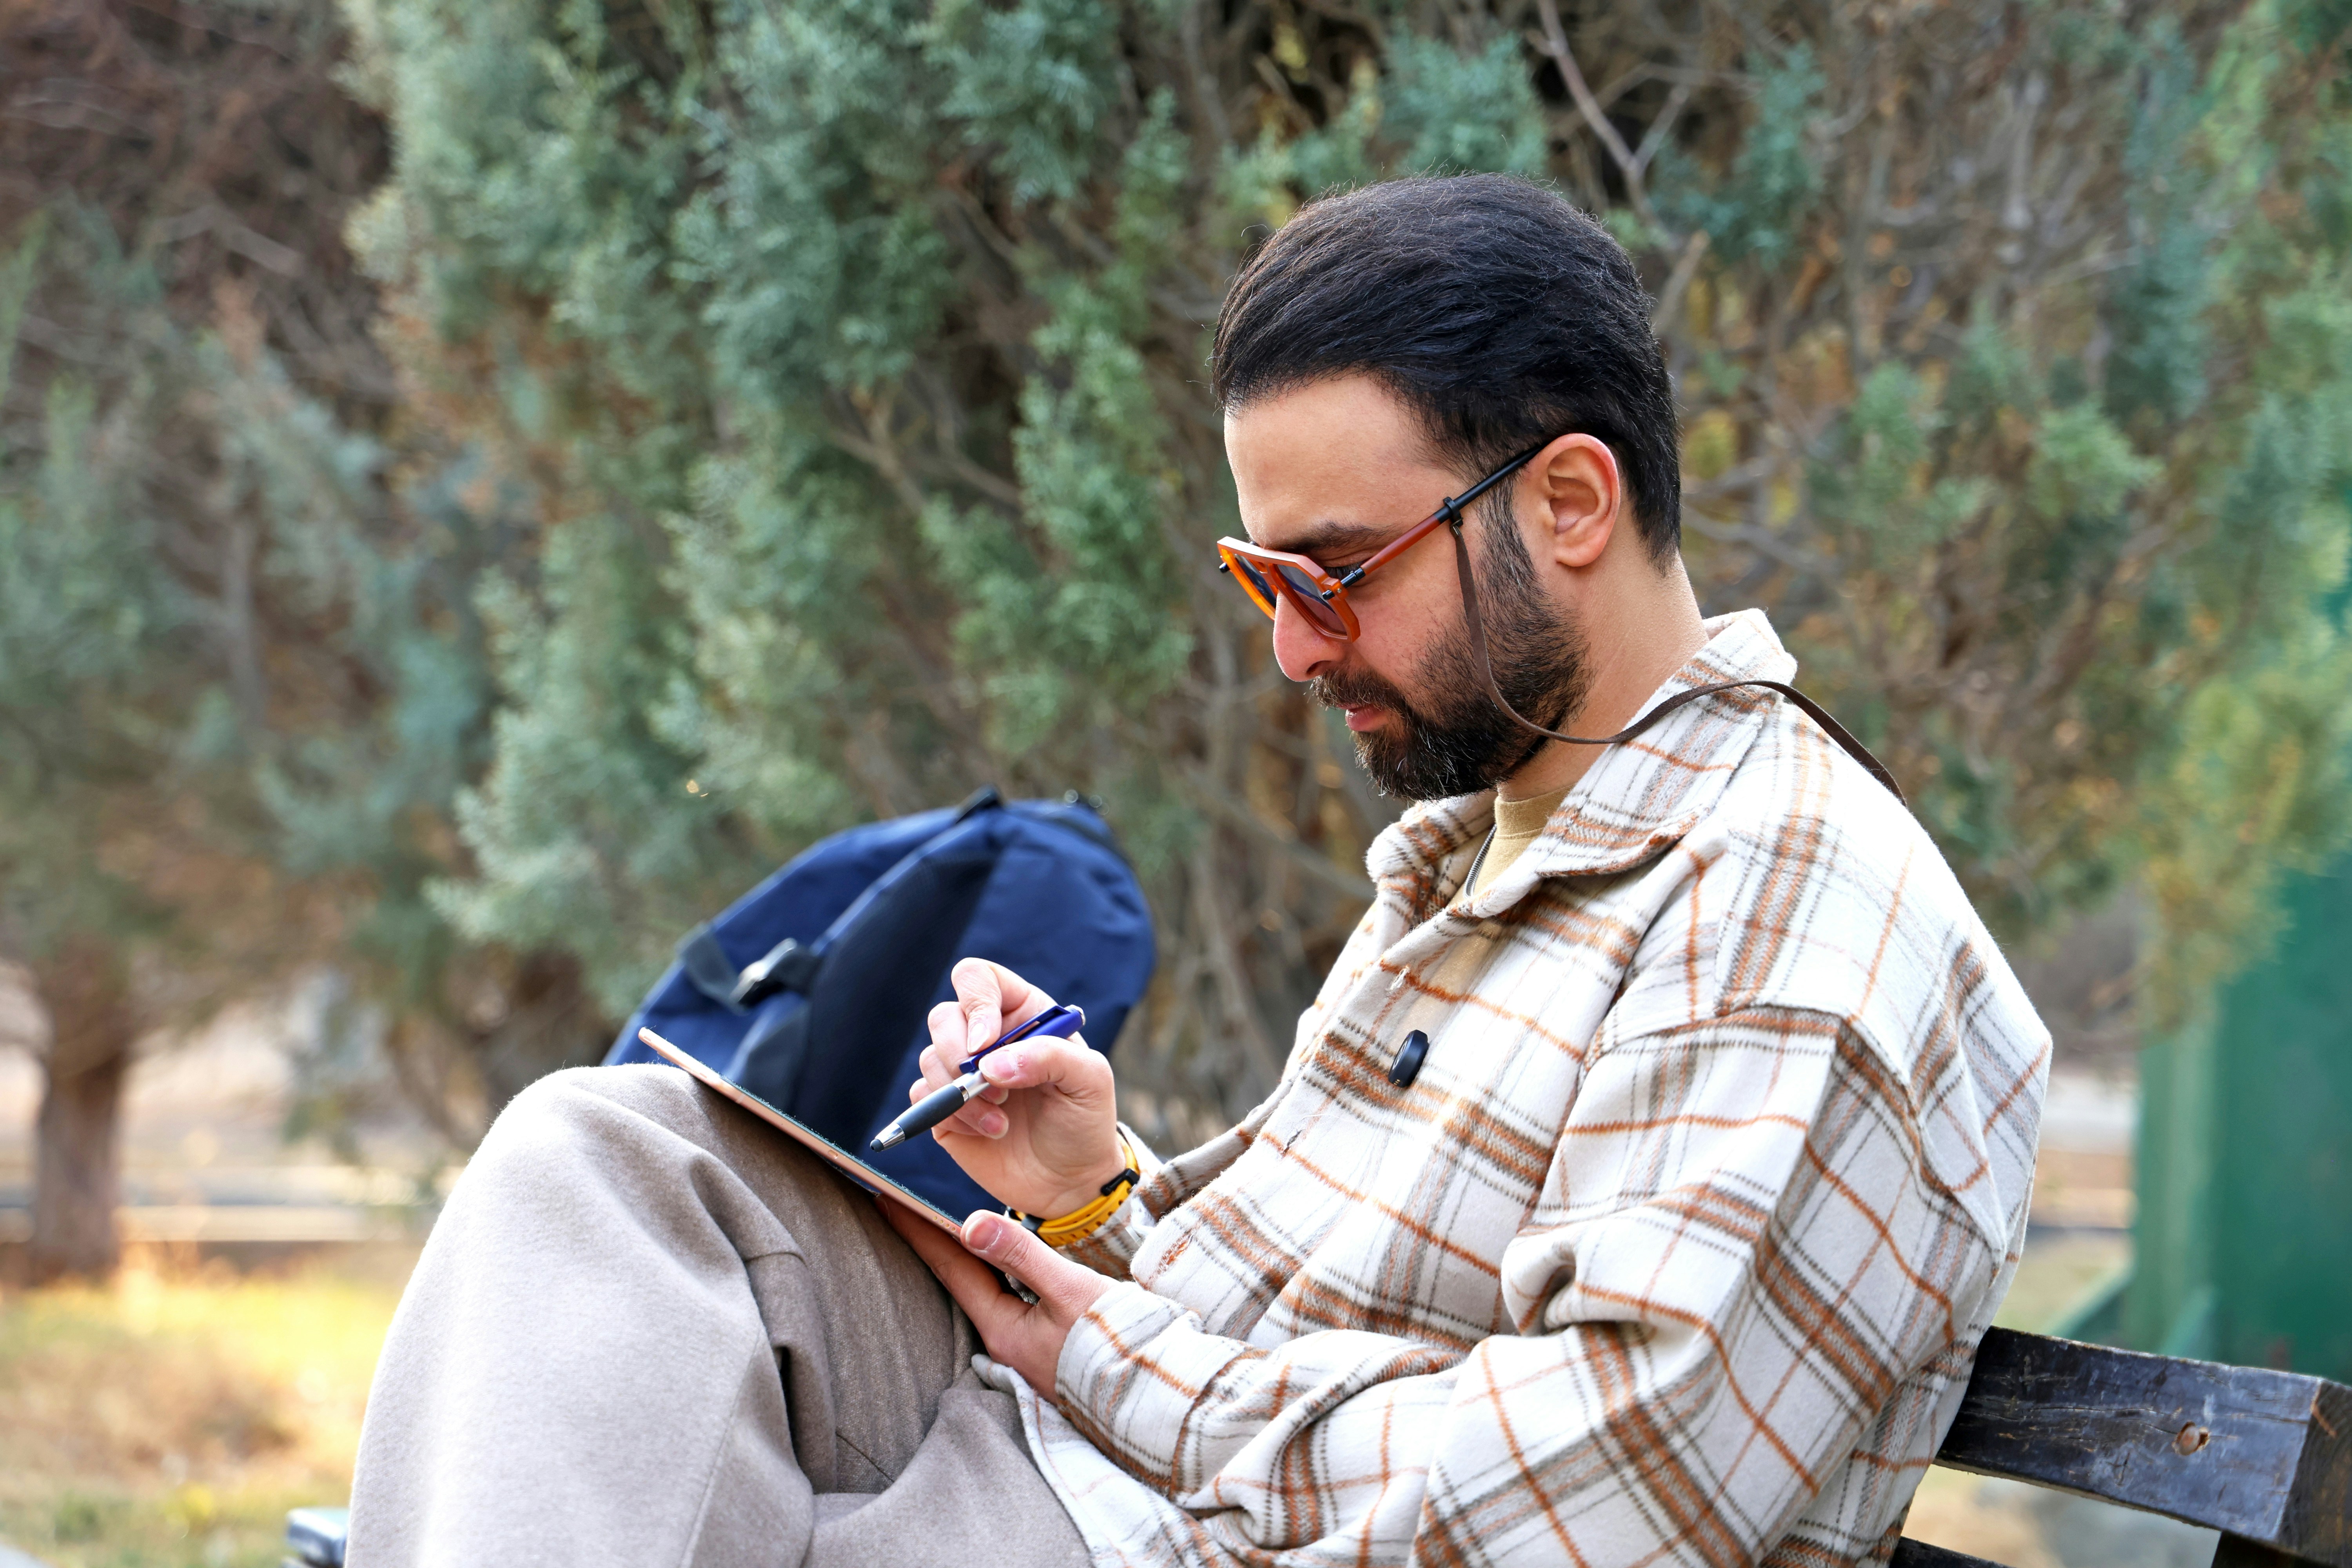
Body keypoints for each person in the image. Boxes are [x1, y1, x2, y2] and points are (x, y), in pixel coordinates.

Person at [347, 174, 2048, 1568]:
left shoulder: (1788, 903)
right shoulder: (1499, 834)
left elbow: (1610, 1498)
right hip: (1078, 1470)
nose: (1298, 655)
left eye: (1340, 572)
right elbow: (1308, 1312)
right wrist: (1095, 1199)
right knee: (610, 1158)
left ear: (1574, 502)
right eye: (1265, 577)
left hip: (1148, 1524)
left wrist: (1105, 1355)